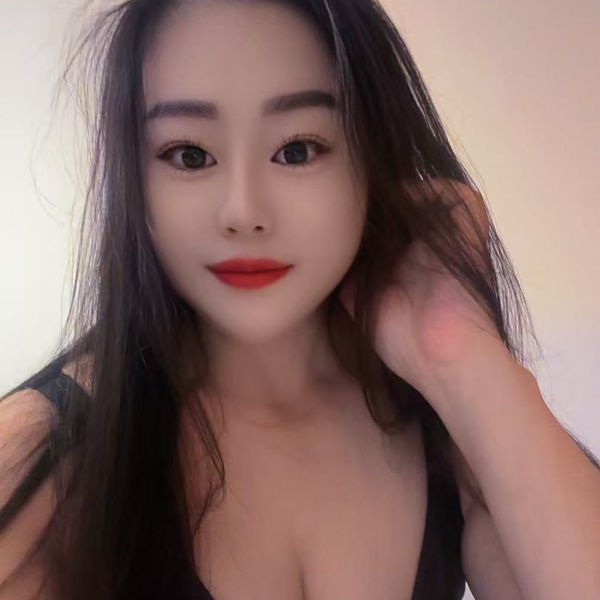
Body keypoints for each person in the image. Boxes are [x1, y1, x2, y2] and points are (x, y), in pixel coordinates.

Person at [1, 1, 599, 599]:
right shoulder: (45, 455)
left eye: (297, 150)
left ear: (371, 159)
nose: (243, 212)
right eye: (190, 155)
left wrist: (461, 353)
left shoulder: (447, 425)